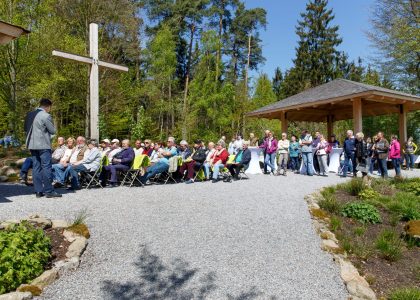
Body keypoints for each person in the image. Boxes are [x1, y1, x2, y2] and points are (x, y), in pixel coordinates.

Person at [24, 98, 61, 198]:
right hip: (43, 145)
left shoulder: (29, 115)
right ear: (47, 106)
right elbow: (52, 131)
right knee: (46, 167)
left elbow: (25, 129)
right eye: (50, 108)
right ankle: (49, 191)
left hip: (32, 145)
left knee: (36, 167)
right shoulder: (46, 115)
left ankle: (38, 191)